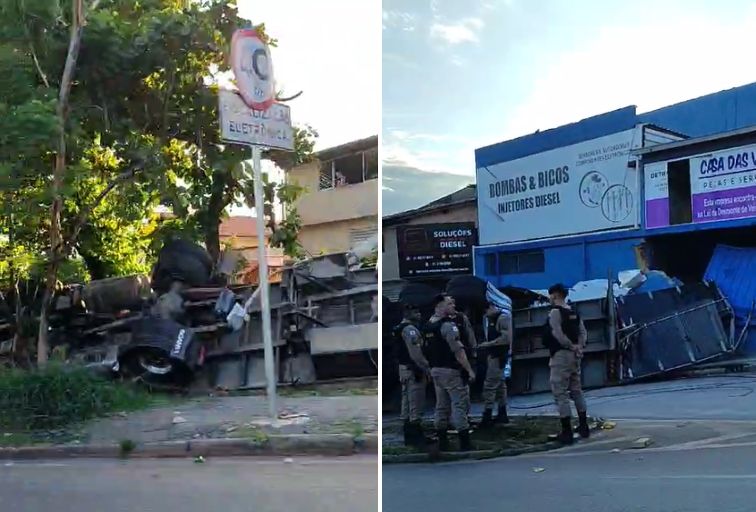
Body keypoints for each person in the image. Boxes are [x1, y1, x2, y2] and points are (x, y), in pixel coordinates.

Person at [422, 294, 476, 451]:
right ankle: (465, 443)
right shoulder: (447, 326)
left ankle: (443, 441)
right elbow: (458, 351)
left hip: (435, 370)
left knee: (441, 405)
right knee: (458, 404)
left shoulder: (427, 326)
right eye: (449, 304)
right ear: (440, 306)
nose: (453, 306)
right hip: (450, 370)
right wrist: (469, 370)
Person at [545, 283, 590, 445]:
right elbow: (583, 332)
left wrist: (570, 346)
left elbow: (556, 333)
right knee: (576, 390)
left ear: (555, 295)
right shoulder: (573, 312)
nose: (549, 298)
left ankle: (567, 431)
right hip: (575, 356)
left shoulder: (555, 312)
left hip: (561, 355)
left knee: (560, 391)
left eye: (550, 295)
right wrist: (579, 347)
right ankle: (584, 426)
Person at [392, 304, 430, 446]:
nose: (419, 314)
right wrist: (426, 367)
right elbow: (416, 354)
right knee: (416, 402)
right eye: (415, 311)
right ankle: (416, 436)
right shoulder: (410, 330)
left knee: (407, 403)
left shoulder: (398, 328)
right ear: (407, 313)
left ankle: (409, 435)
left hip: (404, 369)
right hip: (413, 370)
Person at [477, 302, 512, 426]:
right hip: (494, 355)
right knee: (500, 385)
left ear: (491, 308)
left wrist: (488, 344)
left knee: (490, 385)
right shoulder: (493, 319)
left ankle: (487, 415)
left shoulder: (502, 318)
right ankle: (502, 413)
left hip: (498, 356)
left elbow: (506, 338)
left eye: (486, 312)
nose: (485, 315)